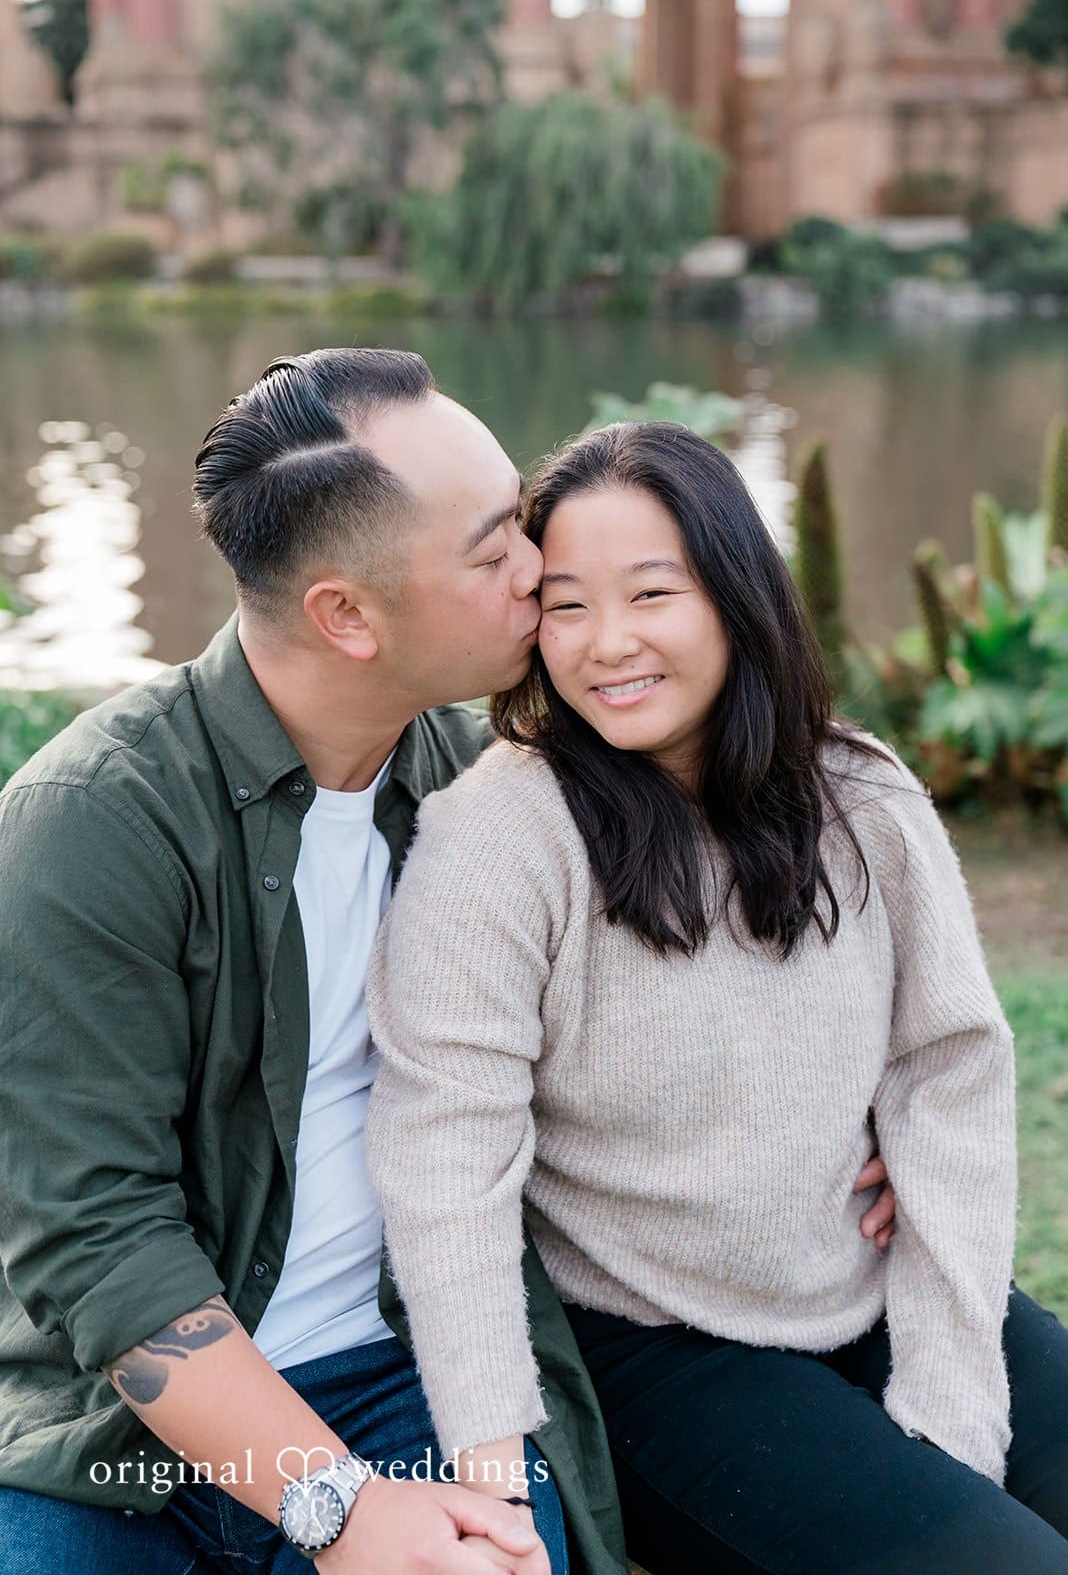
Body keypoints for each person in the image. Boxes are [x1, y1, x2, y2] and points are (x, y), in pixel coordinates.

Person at [365, 420, 1068, 1575]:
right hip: (652, 1347)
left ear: (739, 597)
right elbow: (445, 1158)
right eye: (569, 603)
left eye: (653, 593)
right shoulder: (502, 834)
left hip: (868, 1280)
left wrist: (950, 1404)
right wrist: (497, 1477)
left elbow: (947, 1073)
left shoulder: (863, 797)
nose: (607, 644)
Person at [0, 349, 614, 1575]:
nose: (540, 573)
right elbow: (99, 1238)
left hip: (408, 1371)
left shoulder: (478, 791)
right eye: (493, 554)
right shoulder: (95, 821)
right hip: (120, 1433)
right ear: (346, 614)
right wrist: (337, 1504)